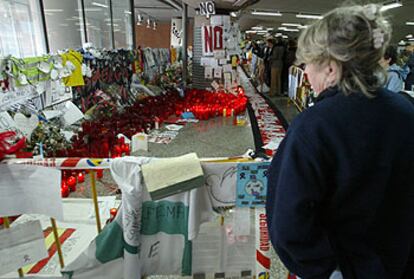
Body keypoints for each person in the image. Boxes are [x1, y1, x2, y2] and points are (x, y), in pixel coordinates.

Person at [266, 4, 414, 279]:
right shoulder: (406, 112)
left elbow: (288, 223)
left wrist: (326, 270)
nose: (305, 72)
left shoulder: (314, 127)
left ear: (332, 68)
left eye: (309, 62)